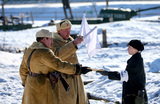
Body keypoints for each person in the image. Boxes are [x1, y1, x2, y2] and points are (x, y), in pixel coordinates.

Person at [19, 29, 91, 104]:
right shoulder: (45, 52)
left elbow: (22, 70)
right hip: (44, 88)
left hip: (30, 86)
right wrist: (77, 69)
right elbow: (59, 65)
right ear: (44, 39)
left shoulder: (29, 50)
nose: (52, 42)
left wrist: (26, 83)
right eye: (50, 39)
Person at [50, 19, 89, 104]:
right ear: (59, 31)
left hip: (75, 78)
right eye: (66, 30)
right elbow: (57, 56)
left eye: (69, 30)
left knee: (80, 100)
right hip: (63, 80)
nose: (68, 33)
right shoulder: (53, 42)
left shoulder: (69, 40)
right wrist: (73, 44)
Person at [97, 39, 148, 104]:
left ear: (136, 49)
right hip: (133, 93)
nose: (127, 49)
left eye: (130, 47)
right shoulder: (135, 59)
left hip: (135, 95)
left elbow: (125, 76)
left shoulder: (136, 61)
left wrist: (107, 74)